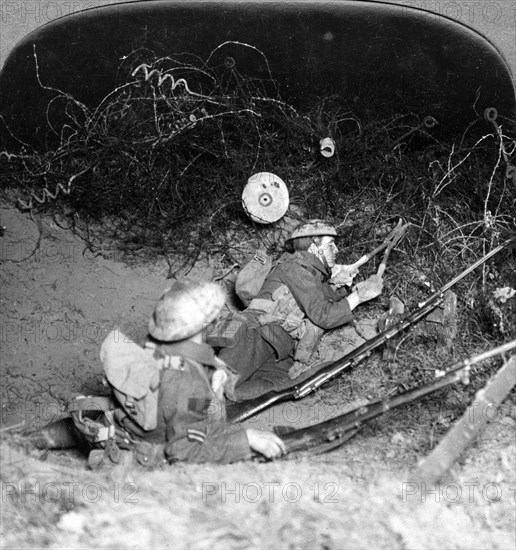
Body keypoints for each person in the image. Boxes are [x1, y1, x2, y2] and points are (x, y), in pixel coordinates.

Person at [74, 279, 286, 466]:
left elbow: (178, 383)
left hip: (125, 430)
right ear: (207, 323)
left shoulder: (154, 347)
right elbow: (183, 452)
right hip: (149, 457)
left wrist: (217, 373)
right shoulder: (188, 381)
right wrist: (246, 439)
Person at [206, 219, 383, 400]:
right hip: (253, 334)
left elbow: (321, 298)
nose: (336, 250)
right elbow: (323, 315)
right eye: (331, 244)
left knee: (273, 386)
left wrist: (343, 286)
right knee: (213, 385)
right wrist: (358, 297)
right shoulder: (295, 268)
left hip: (276, 348)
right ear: (314, 244)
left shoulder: (310, 275)